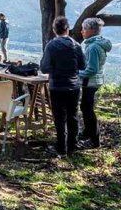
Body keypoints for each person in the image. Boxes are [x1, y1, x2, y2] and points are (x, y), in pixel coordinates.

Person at [40, 16, 85, 157]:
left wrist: (55, 68)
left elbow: (44, 68)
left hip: (57, 86)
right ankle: (73, 144)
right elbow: (83, 65)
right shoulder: (76, 45)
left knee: (59, 117)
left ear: (54, 30)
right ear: (68, 29)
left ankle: (61, 148)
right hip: (73, 85)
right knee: (73, 115)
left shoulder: (51, 46)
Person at [77, 18, 112, 149]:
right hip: (95, 81)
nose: (81, 31)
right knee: (85, 107)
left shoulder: (92, 47)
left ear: (91, 31)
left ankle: (94, 140)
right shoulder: (97, 44)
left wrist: (76, 73)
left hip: (90, 82)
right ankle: (87, 133)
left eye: (84, 29)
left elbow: (92, 69)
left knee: (87, 110)